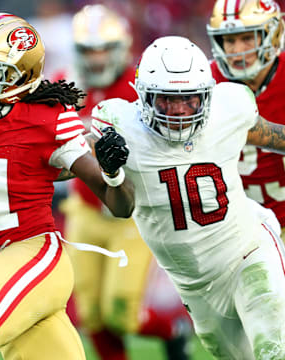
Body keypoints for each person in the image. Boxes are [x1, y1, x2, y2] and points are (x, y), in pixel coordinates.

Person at [0, 13, 134, 360]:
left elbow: (121, 207)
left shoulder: (45, 118)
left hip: (35, 255)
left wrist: (113, 172)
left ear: (16, 79)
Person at [90, 35, 285, 359]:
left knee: (274, 349)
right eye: (168, 100)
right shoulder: (121, 127)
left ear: (206, 95)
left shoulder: (228, 110)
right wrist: (109, 170)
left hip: (247, 252)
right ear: (144, 97)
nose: (180, 111)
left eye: (190, 99)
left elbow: (270, 135)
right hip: (194, 285)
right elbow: (74, 168)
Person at [55, 5, 191, 360]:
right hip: (84, 208)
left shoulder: (140, 86)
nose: (97, 58)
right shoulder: (61, 87)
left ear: (121, 47)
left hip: (132, 212)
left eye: (103, 48)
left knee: (121, 313)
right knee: (91, 315)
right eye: (88, 50)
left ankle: (172, 331)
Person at [207, 0, 285, 238]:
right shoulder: (205, 82)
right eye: (229, 40)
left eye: (248, 38)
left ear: (272, 36)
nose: (236, 49)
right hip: (234, 228)